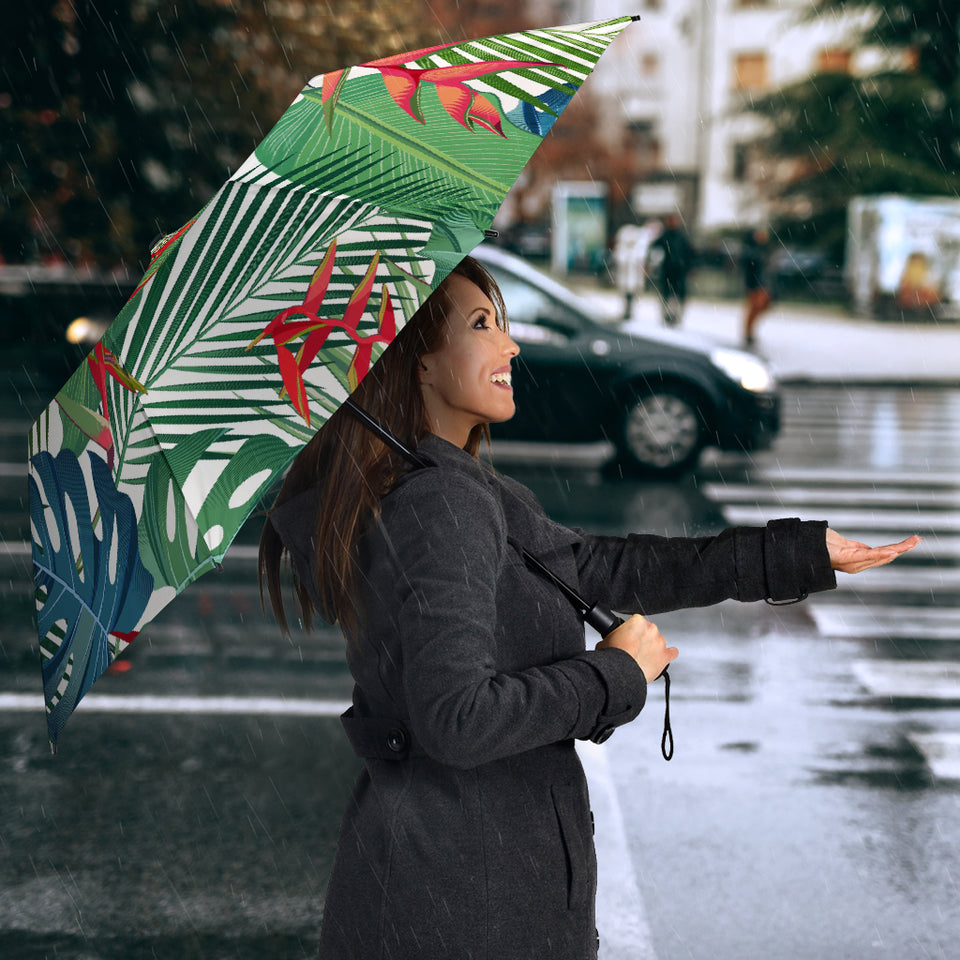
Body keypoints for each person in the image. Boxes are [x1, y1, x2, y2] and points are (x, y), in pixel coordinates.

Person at [259, 256, 919, 960]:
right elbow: (457, 719)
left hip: (448, 884)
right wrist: (614, 674)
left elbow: (599, 568)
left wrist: (794, 554)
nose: (511, 345)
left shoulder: (444, 487)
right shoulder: (440, 504)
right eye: (482, 325)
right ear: (418, 361)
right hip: (468, 904)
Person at [648, 213, 695, 327]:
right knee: (667, 294)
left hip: (679, 271)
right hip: (668, 271)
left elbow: (690, 253)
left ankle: (675, 316)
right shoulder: (665, 236)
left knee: (677, 295)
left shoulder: (681, 237)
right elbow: (654, 249)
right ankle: (667, 315)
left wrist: (690, 267)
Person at [741, 226, 773, 347]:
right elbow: (750, 266)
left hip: (762, 283)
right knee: (754, 308)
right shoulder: (751, 250)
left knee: (761, 306)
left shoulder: (762, 249)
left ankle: (749, 331)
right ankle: (748, 333)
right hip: (754, 284)